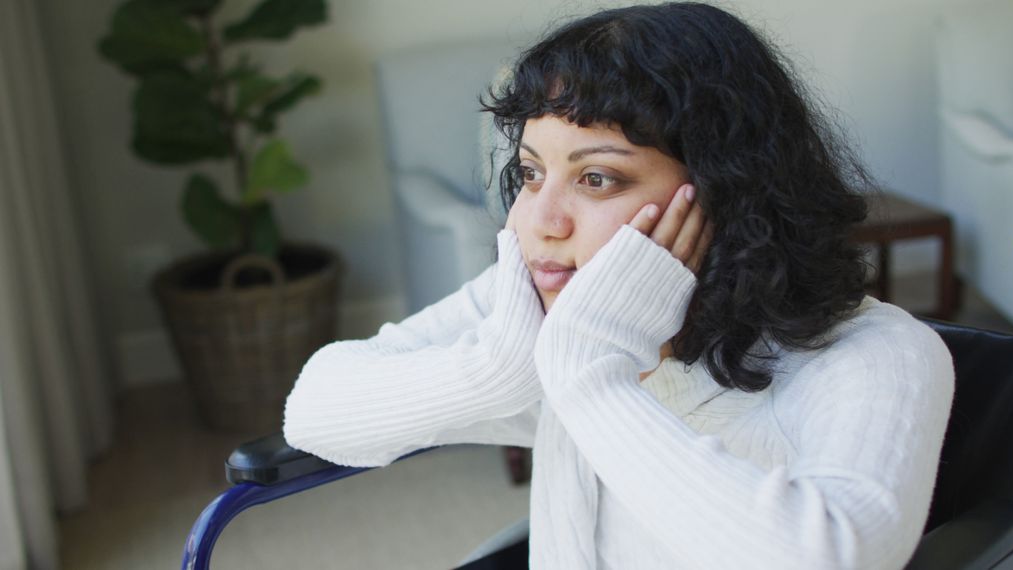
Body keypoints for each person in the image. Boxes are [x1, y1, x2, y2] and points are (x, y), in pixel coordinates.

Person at [283, 3, 954, 569]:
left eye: (597, 178)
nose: (541, 222)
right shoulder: (541, 304)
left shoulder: (878, 355)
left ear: (725, 192)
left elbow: (825, 557)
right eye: (530, 173)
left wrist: (586, 375)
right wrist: (502, 367)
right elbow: (312, 411)